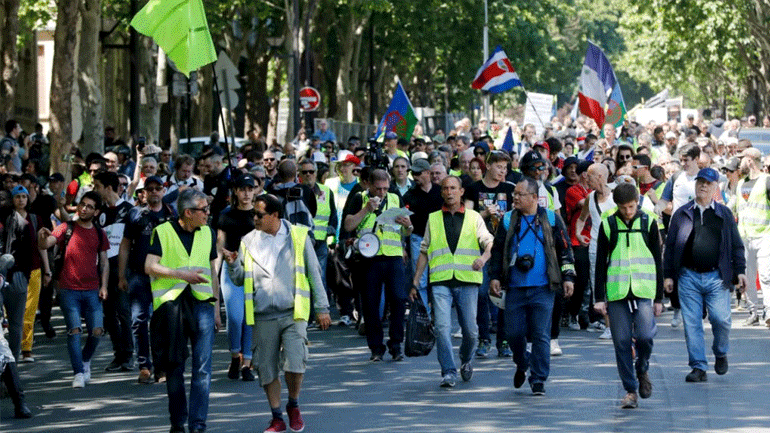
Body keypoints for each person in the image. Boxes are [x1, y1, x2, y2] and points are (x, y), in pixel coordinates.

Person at [225, 194, 331, 433]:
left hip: (293, 312)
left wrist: (322, 308)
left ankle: (293, 404)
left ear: (275, 215)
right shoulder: (248, 241)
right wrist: (232, 264)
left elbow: (314, 273)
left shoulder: (298, 235)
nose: (254, 218)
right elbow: (240, 279)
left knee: (295, 362)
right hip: (263, 314)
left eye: (259, 214)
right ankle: (276, 417)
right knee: (267, 370)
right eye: (253, 214)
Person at [489, 177, 575, 396]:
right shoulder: (508, 219)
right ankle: (522, 362)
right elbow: (497, 250)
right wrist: (495, 277)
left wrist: (568, 277)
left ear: (535, 197)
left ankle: (538, 379)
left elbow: (565, 249)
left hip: (544, 287)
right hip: (515, 287)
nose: (515, 198)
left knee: (540, 334)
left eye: (520, 194)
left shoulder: (551, 218)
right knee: (513, 334)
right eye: (515, 194)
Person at [145, 188, 221, 433]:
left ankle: (198, 424)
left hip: (202, 303)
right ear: (188, 212)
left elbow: (212, 271)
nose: (207, 213)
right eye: (204, 209)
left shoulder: (208, 232)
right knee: (174, 365)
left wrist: (216, 307)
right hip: (172, 306)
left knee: (203, 367)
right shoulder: (163, 231)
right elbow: (149, 266)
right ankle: (178, 423)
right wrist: (182, 275)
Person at [665, 167, 747, 383]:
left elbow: (737, 245)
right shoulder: (682, 213)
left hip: (717, 277)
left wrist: (740, 272)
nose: (703, 186)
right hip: (688, 277)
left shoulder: (724, 214)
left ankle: (720, 352)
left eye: (708, 183)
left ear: (715, 187)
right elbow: (670, 247)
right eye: (700, 181)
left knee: (721, 320)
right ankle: (698, 367)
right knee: (692, 323)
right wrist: (668, 275)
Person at [410, 176, 493, 387]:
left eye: (453, 188)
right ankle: (448, 371)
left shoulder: (474, 217)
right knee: (442, 327)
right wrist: (416, 281)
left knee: (471, 331)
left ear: (461, 191)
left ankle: (465, 359)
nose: (449, 192)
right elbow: (424, 251)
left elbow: (489, 242)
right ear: (442, 192)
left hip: (467, 280)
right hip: (441, 280)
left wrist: (483, 259)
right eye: (446, 188)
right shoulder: (433, 218)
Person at [594, 183, 663, 409]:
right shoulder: (608, 224)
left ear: (637, 202)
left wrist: (659, 298)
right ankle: (631, 390)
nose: (628, 212)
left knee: (645, 336)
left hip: (644, 289)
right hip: (617, 291)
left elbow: (657, 261)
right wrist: (599, 297)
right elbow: (600, 263)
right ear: (617, 205)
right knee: (621, 341)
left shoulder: (648, 222)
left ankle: (642, 368)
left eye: (631, 206)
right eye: (623, 208)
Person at [37, 191, 109, 388]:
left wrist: (104, 286)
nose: (84, 209)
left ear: (96, 212)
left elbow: (104, 262)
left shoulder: (99, 233)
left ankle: (85, 360)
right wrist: (42, 238)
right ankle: (78, 372)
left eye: (89, 207)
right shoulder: (66, 227)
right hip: (69, 289)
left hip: (92, 289)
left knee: (97, 331)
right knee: (74, 330)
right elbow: (47, 243)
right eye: (82, 204)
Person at [344, 169, 413, 361]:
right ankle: (376, 348)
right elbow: (348, 225)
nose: (382, 192)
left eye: (385, 188)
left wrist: (407, 225)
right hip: (369, 257)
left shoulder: (395, 198)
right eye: (378, 189)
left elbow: (408, 230)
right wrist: (366, 209)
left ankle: (396, 344)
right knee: (371, 304)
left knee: (398, 300)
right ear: (369, 185)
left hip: (393, 255)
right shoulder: (359, 198)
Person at [118, 175, 177, 384]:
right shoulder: (135, 214)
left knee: (163, 322)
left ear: (163, 191)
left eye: (157, 188)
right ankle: (144, 365)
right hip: (139, 275)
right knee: (138, 320)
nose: (153, 192)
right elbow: (125, 245)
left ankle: (162, 367)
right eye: (149, 188)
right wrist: (121, 275)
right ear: (143, 192)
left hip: (164, 275)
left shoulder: (172, 213)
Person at [463, 150, 515, 358]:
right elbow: (467, 218)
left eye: (505, 168)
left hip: (503, 247)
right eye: (499, 167)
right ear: (489, 166)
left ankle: (504, 339)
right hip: (479, 248)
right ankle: (484, 338)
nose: (503, 171)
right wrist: (484, 213)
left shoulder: (509, 189)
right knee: (482, 294)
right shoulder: (474, 189)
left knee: (503, 294)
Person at [216, 174, 257, 382]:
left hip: (254, 270)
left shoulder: (259, 214)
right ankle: (235, 355)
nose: (247, 194)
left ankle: (247, 363)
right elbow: (219, 246)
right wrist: (214, 272)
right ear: (236, 191)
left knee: (250, 318)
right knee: (235, 316)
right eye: (242, 189)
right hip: (231, 268)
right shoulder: (226, 215)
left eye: (250, 189)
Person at [93, 171, 135, 372]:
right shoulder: (99, 212)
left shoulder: (129, 210)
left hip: (123, 269)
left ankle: (129, 355)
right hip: (104, 269)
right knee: (108, 314)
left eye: (97, 186)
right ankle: (118, 354)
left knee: (124, 312)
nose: (95, 190)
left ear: (108, 188)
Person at [1, 185, 46, 363]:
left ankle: (23, 351)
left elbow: (40, 247)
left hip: (28, 272)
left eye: (24, 196)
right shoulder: (7, 219)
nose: (21, 200)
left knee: (27, 313)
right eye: (17, 197)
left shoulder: (32, 220)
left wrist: (47, 269)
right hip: (9, 273)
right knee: (11, 318)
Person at [732, 147, 770, 326]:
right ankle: (753, 312)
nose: (739, 163)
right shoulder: (740, 184)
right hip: (745, 237)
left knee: (766, 276)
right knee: (747, 277)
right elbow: (735, 208)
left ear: (750, 160)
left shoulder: (766, 181)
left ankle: (768, 312)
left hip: (765, 235)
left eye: (741, 159)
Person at [403, 159, 443, 315]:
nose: (415, 177)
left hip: (439, 238)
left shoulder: (440, 191)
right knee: (420, 279)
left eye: (418, 173)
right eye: (413, 173)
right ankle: (424, 315)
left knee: (439, 277)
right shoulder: (409, 195)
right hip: (418, 238)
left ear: (428, 173)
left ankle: (438, 314)